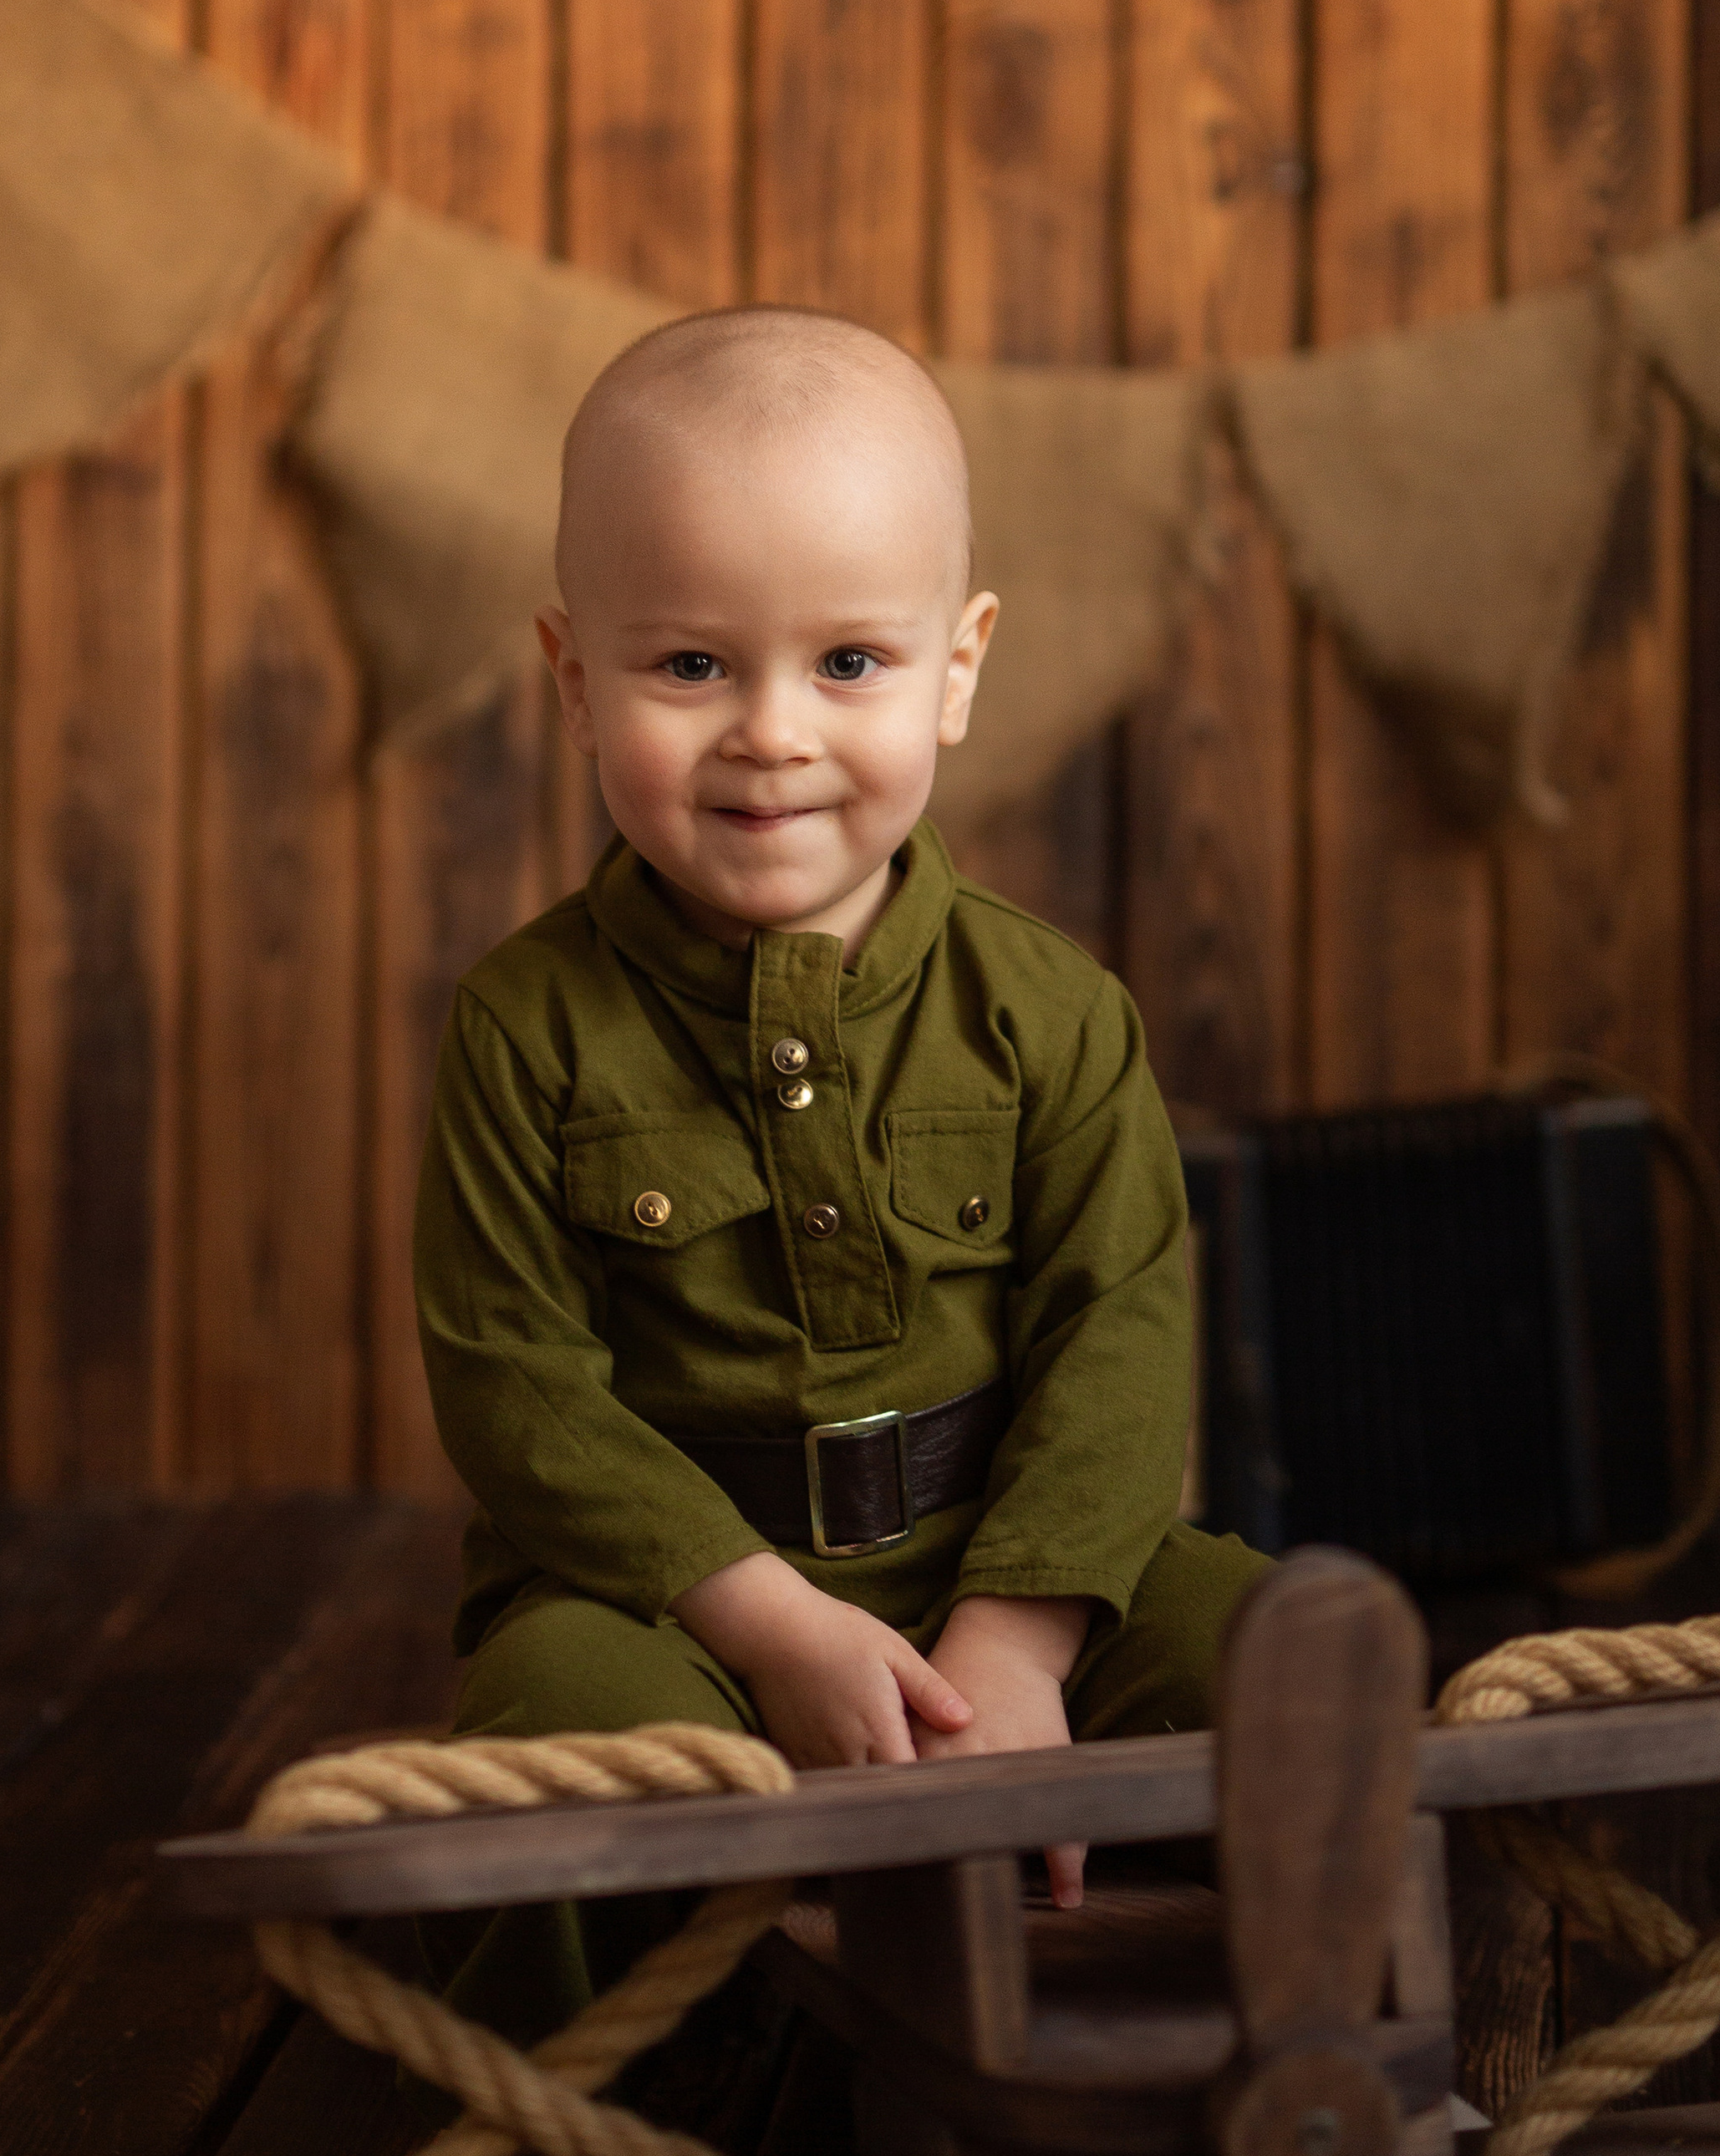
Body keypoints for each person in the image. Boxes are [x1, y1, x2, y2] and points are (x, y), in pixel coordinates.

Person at [415, 305, 1270, 2047]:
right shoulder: (525, 1029)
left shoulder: (1048, 1015)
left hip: (1007, 1561)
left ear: (958, 667)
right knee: (542, 1737)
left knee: (1278, 1656)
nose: (770, 736)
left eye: (848, 666)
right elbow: (518, 1392)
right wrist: (774, 1626)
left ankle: (1297, 2029)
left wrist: (1020, 1643)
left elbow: (1117, 1330)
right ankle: (577, 2123)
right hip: (679, 1601)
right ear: (573, 675)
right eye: (690, 667)